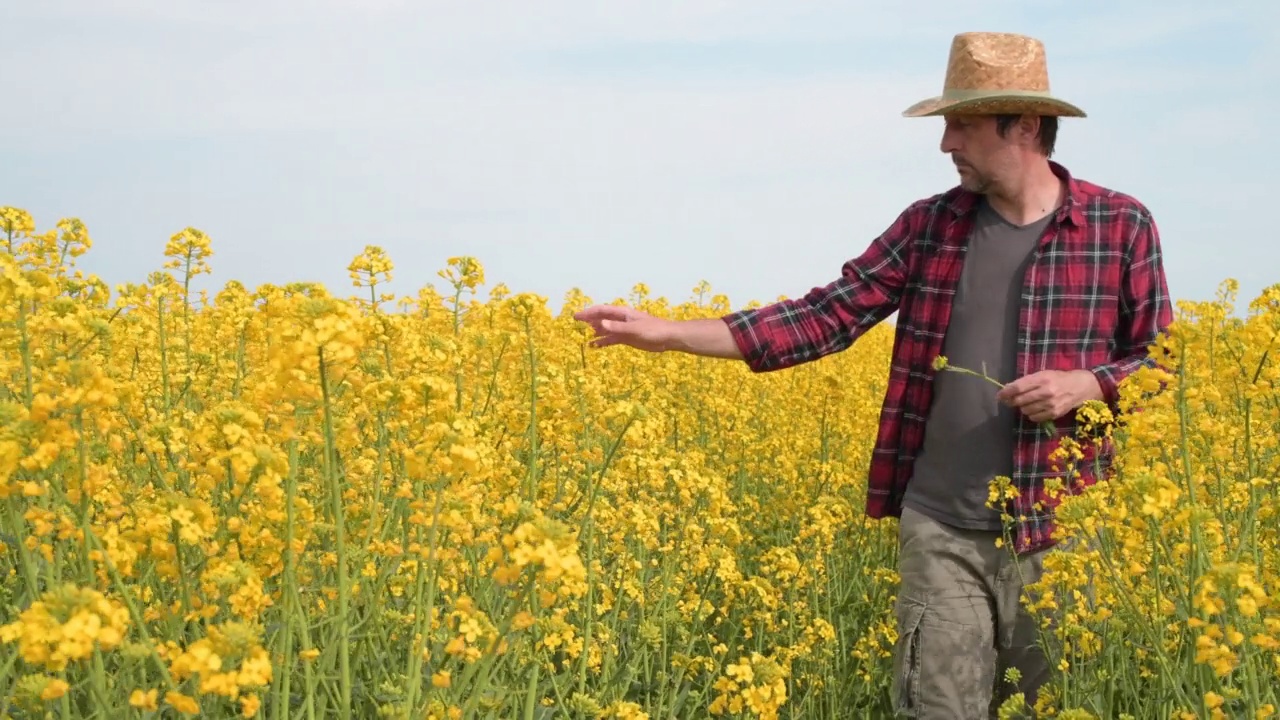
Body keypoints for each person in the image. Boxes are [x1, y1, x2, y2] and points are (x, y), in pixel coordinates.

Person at [573, 31, 1173, 719]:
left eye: (962, 124)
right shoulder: (929, 227)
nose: (946, 143)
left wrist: (1090, 386)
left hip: (1064, 534)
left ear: (1026, 126)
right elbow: (824, 315)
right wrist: (668, 333)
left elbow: (1162, 363)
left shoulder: (1119, 225)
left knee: (1057, 709)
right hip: (942, 531)